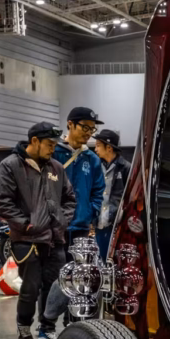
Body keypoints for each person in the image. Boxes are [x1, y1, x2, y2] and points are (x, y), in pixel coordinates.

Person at [0, 122, 75, 339]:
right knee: (30, 287)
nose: (52, 149)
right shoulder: (9, 166)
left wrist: (62, 220)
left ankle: (47, 328)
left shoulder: (56, 168)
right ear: (34, 141)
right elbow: (1, 203)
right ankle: (23, 324)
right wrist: (26, 224)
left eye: (55, 145)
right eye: (49, 144)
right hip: (26, 239)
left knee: (54, 285)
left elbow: (69, 199)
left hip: (54, 238)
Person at [53, 107, 105, 246]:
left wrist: (89, 212)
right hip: (53, 227)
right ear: (70, 124)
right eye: (85, 127)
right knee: (56, 267)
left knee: (79, 267)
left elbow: (98, 191)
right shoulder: (53, 153)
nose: (88, 133)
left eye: (92, 129)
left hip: (81, 227)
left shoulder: (92, 159)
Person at [91, 129, 130, 259]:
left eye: (97, 145)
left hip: (117, 224)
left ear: (108, 148)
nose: (95, 149)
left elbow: (130, 197)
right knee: (101, 259)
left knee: (115, 260)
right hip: (99, 222)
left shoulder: (126, 168)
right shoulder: (95, 166)